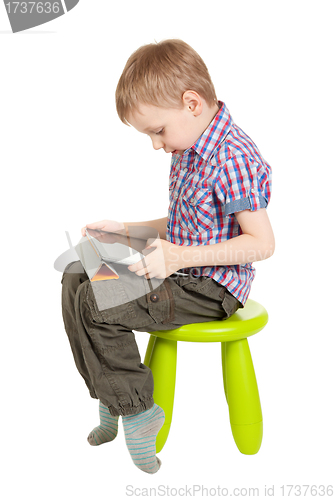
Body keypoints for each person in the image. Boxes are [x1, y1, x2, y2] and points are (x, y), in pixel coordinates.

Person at [61, 39, 275, 474]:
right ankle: (112, 398)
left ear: (191, 103)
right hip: (178, 272)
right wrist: (126, 231)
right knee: (76, 272)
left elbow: (262, 243)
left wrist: (177, 258)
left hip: (211, 289)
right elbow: (183, 223)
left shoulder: (233, 157)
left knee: (96, 301)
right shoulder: (188, 145)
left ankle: (139, 411)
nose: (156, 145)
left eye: (157, 131)